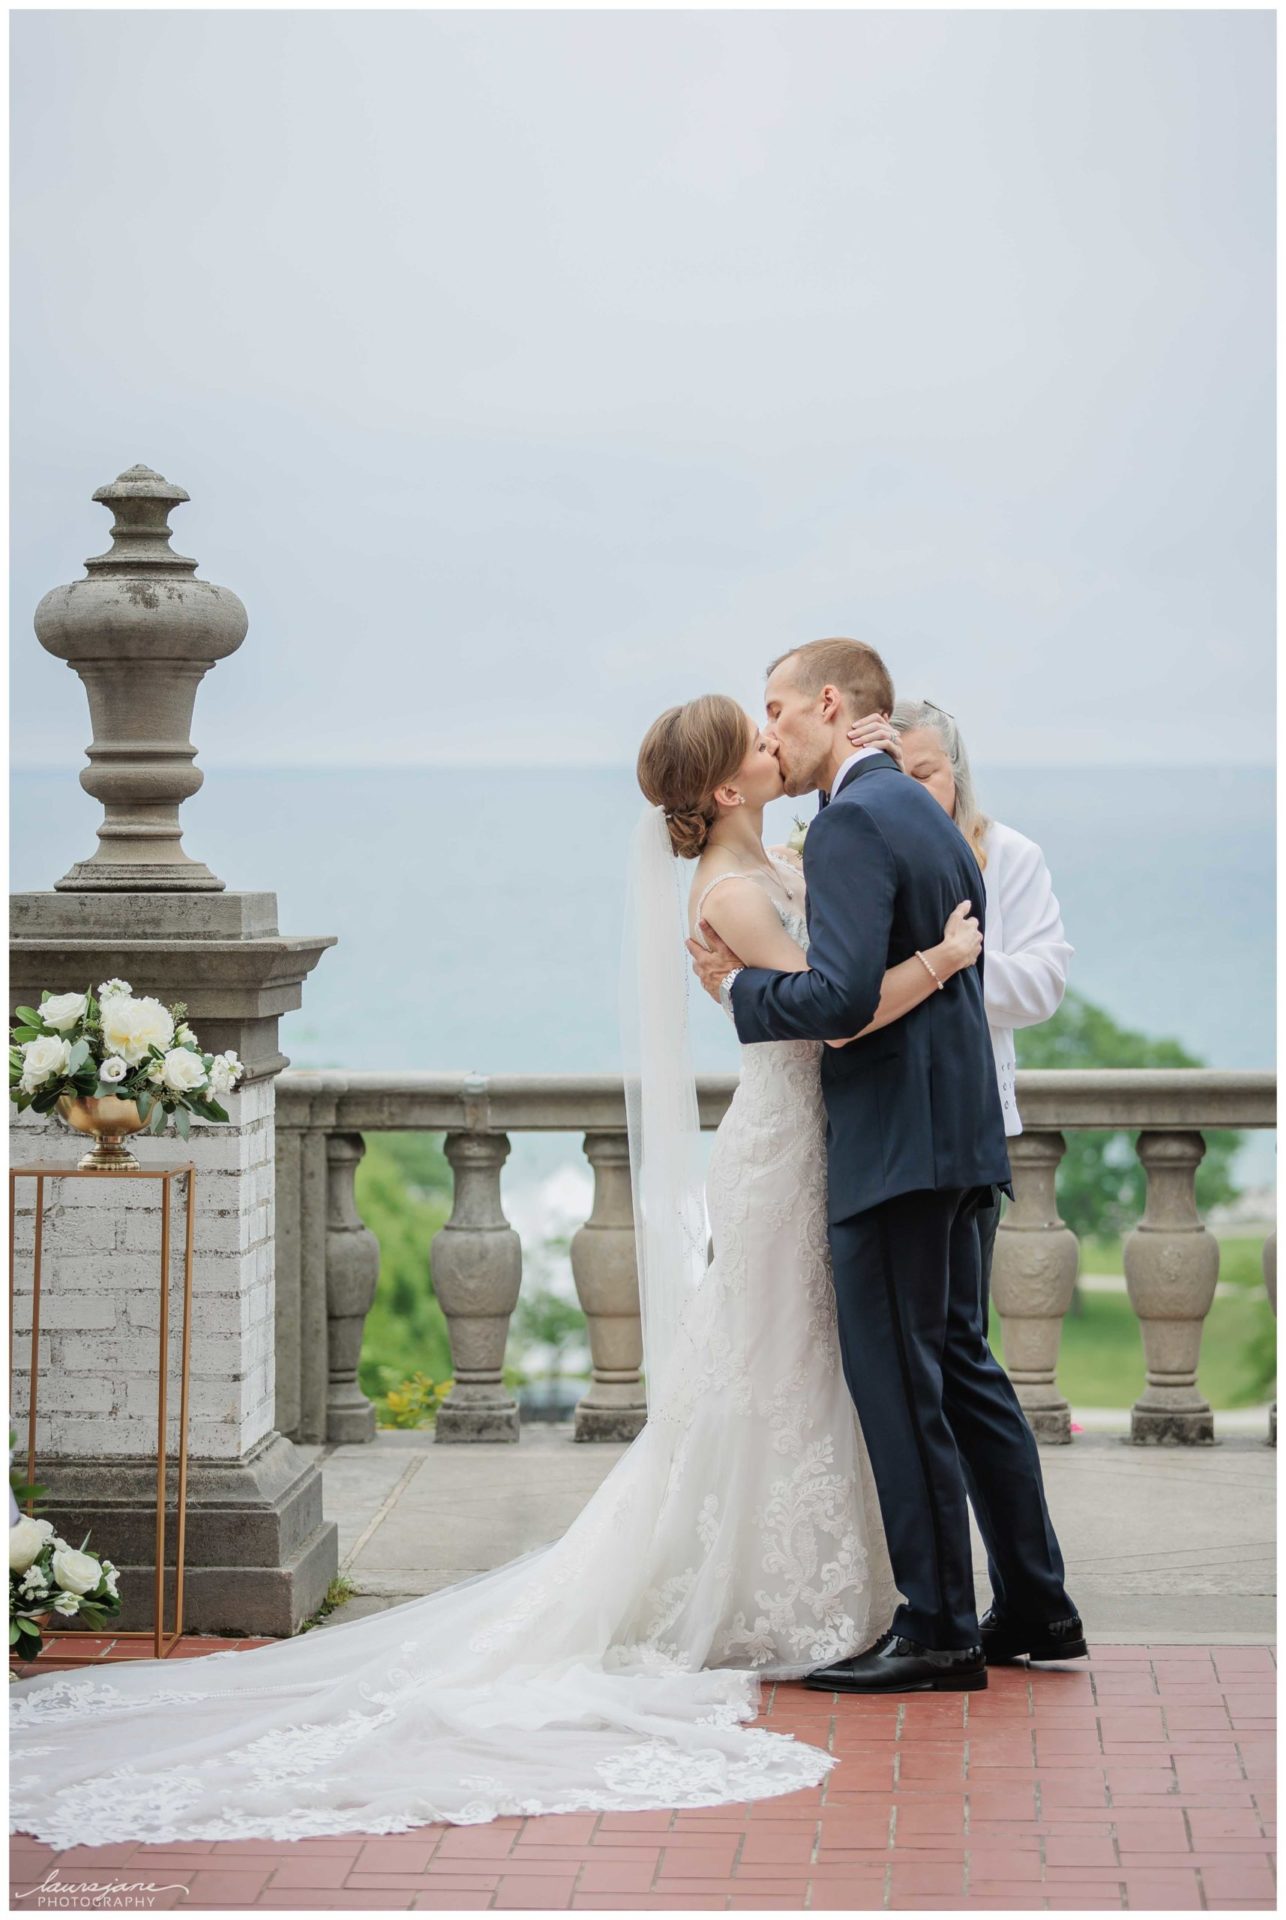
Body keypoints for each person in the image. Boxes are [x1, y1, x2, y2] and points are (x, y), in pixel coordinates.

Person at [8, 693, 982, 1851]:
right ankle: (776, 1587)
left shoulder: (773, 856)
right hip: (790, 1145)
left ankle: (856, 1588)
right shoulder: (729, 889)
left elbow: (822, 953)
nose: (777, 747)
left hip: (819, 1142)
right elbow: (833, 1011)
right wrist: (936, 955)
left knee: (806, 1370)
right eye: (757, 741)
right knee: (769, 1365)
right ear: (723, 787)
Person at [690, 638, 1085, 1693]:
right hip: (954, 1139)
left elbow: (838, 1003)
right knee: (960, 1370)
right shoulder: (919, 810)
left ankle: (939, 1629)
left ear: (828, 704)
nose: (766, 727)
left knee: (900, 1386)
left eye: (776, 706)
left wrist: (735, 995)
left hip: (895, 1151)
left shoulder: (857, 820)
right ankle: (1037, 1605)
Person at [854, 698, 1073, 1329]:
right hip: (867, 1123)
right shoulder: (850, 852)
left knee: (957, 1332)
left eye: (925, 775)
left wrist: (953, 963)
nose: (913, 795)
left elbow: (1043, 985)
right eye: (895, 778)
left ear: (958, 772)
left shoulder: (1010, 855)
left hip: (965, 1127)